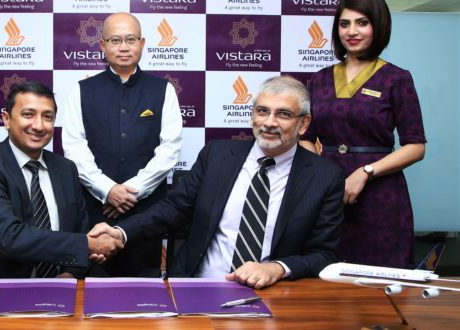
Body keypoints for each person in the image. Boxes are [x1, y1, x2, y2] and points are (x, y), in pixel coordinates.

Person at [90, 76, 345, 289]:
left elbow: (323, 255)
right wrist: (121, 232)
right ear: (252, 115)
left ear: (304, 124)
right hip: (200, 285)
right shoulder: (217, 155)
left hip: (273, 293)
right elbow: (173, 209)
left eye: (284, 114)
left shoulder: (325, 177)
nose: (269, 122)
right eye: (262, 111)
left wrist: (276, 268)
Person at [300, 0, 426, 268]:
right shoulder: (320, 78)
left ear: (377, 26)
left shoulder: (396, 78)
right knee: (324, 274)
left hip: (381, 195)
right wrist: (325, 175)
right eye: (344, 24)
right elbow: (305, 137)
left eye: (362, 23)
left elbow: (416, 146)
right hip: (328, 193)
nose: (351, 31)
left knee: (380, 281)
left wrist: (364, 173)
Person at [62, 12, 183, 277]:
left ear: (142, 43)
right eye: (115, 40)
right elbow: (74, 148)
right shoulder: (82, 90)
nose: (124, 47)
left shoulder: (163, 90)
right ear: (102, 46)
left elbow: (169, 149)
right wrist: (107, 190)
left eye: (131, 39)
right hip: (95, 208)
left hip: (146, 211)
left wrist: (131, 192)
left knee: (143, 288)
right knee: (92, 283)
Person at [0, 81, 122, 279]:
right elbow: (8, 237)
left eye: (47, 117)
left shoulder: (66, 169)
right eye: (28, 114)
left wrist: (70, 273)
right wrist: (87, 245)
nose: (39, 126)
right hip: (3, 288)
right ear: (6, 119)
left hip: (63, 286)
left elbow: (78, 231)